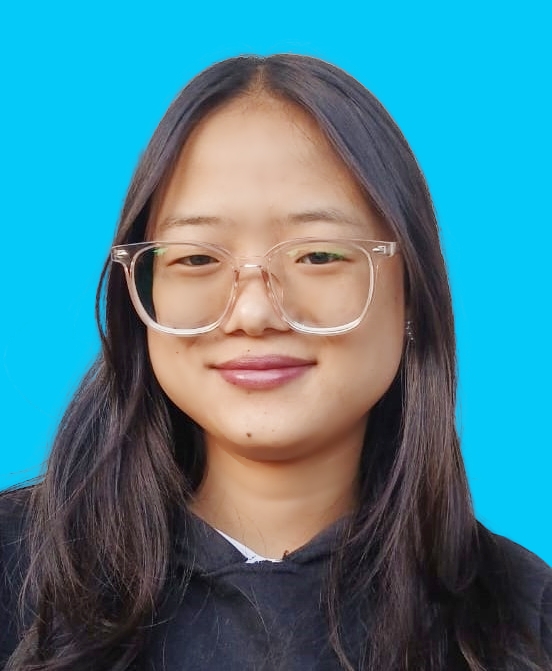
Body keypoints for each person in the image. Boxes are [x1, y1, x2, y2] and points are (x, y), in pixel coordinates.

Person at [0, 54, 550, 671]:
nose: (254, 312)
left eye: (318, 255)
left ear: (413, 292)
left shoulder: (521, 621)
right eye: (196, 258)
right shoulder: (13, 574)